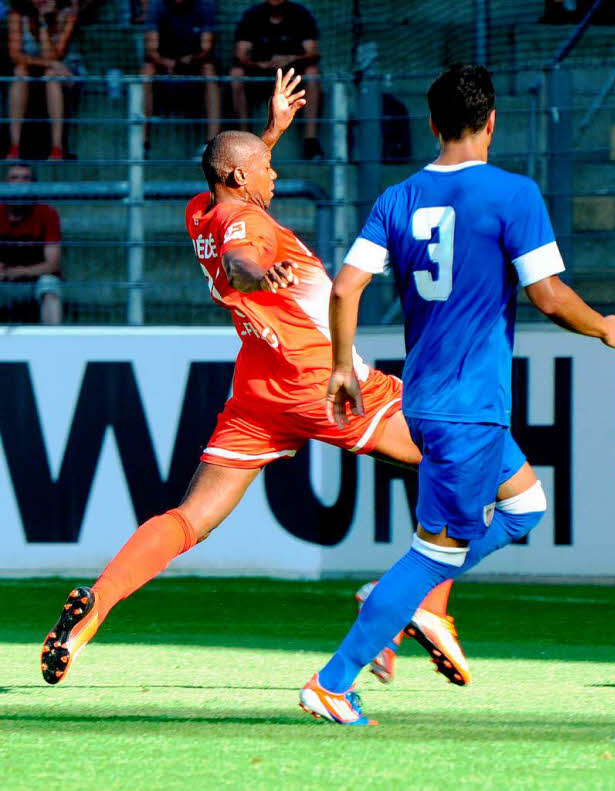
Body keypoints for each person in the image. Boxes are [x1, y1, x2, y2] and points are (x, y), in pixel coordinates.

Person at [39, 70, 466, 690]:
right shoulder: (249, 226)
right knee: (458, 458)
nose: (274, 173)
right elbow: (245, 253)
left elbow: (230, 201)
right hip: (323, 380)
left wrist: (267, 133)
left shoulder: (202, 215)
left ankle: (96, 606)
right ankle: (424, 609)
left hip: (259, 393)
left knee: (190, 518)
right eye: (265, 167)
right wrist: (252, 274)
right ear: (239, 179)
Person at [299, 63, 615, 726]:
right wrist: (604, 326)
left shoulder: (396, 198)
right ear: (491, 122)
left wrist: (344, 365)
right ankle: (334, 679)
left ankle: (407, 591)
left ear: (431, 125)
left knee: (526, 504)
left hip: (422, 396)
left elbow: (343, 289)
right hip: (469, 406)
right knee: (436, 552)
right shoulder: (513, 193)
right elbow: (546, 295)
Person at [229, 0, 323, 161]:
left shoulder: (301, 15)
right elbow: (239, 55)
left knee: (313, 72)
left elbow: (313, 53)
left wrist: (290, 59)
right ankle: (244, 139)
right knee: (235, 73)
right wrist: (260, 64)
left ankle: (310, 141)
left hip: (292, 78)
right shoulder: (252, 16)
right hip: (258, 77)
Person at [141, 0, 221, 158]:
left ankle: (211, 143)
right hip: (164, 67)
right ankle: (143, 143)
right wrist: (167, 62)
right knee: (146, 71)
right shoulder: (157, 5)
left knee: (210, 71)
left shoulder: (205, 5)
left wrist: (190, 60)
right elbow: (151, 49)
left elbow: (207, 48)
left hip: (194, 65)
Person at [7, 0, 82, 161]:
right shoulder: (17, 14)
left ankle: (57, 148)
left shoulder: (68, 15)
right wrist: (51, 63)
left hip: (66, 70)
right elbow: (15, 55)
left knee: (51, 76)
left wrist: (42, 24)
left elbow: (55, 55)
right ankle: (15, 147)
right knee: (19, 72)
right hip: (35, 66)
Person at [0, 162, 62, 323]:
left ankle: (54, 343)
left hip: (37, 278)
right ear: (5, 184)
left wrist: (16, 272)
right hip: (3, 277)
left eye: (25, 178)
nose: (19, 183)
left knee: (50, 287)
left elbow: (52, 265)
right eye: (14, 178)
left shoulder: (47, 214)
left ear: (34, 185)